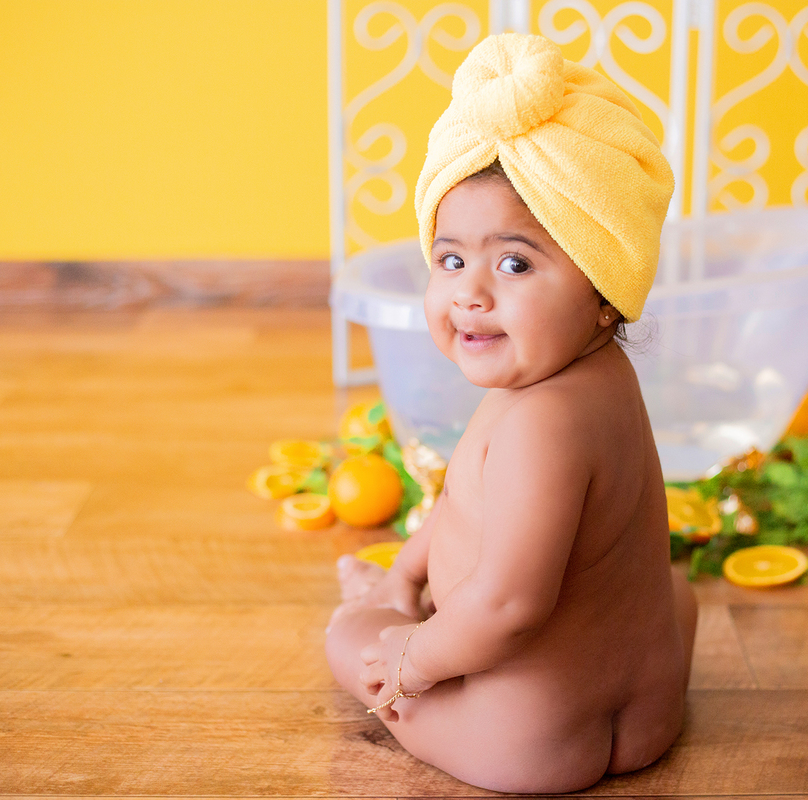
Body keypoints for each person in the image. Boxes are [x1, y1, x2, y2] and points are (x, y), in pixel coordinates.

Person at [324, 32, 696, 794]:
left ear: (602, 292)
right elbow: (464, 506)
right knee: (674, 590)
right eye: (451, 259)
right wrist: (407, 573)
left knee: (349, 637)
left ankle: (380, 617)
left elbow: (510, 607)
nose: (471, 292)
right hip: (648, 713)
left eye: (516, 262)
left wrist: (412, 654)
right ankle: (398, 593)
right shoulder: (604, 378)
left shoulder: (537, 423)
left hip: (527, 739)